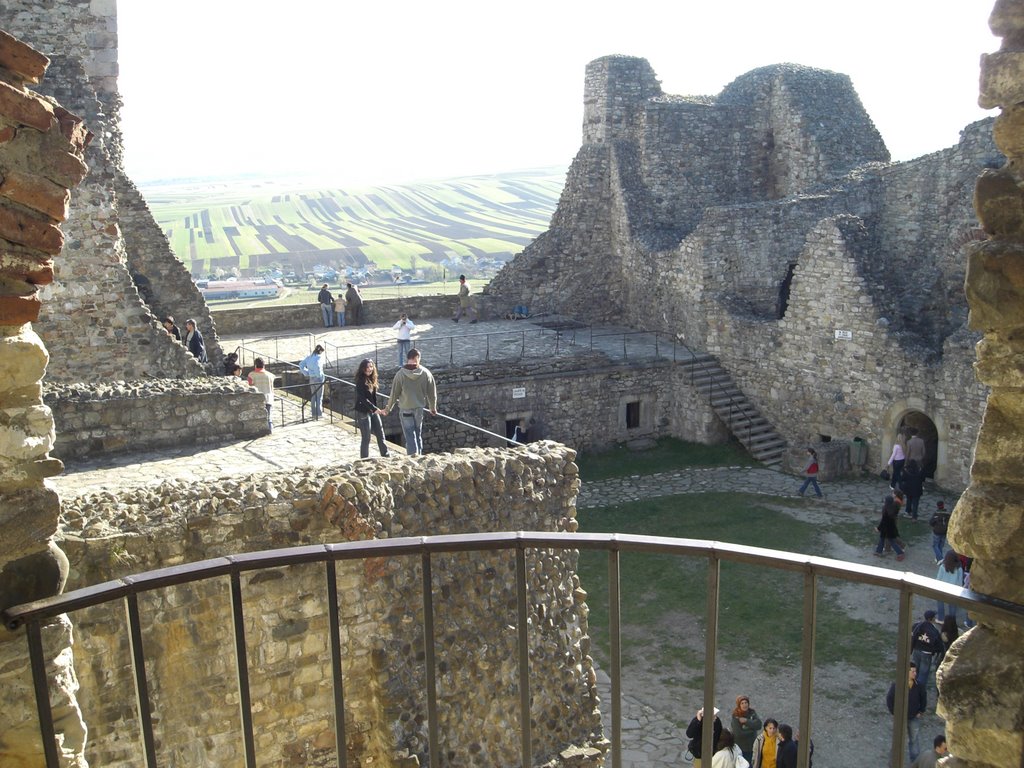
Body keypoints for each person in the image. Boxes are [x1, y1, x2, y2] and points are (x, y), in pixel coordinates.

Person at [384, 348, 437, 456]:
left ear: (408, 358)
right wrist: (433, 407)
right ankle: (419, 456)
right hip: (419, 408)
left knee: (409, 435)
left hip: (405, 409)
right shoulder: (426, 373)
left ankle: (413, 458)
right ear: (418, 358)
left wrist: (388, 409)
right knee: (418, 434)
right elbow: (432, 393)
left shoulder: (400, 374)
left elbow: (394, 394)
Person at [886, 662, 927, 765]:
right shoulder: (897, 685)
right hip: (901, 718)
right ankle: (893, 763)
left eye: (915, 671)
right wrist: (894, 712)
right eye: (912, 671)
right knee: (898, 741)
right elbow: (890, 699)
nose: (915, 673)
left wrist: (921, 711)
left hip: (913, 717)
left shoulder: (919, 685)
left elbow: (923, 699)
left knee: (914, 740)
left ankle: (915, 762)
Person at [354, 358, 390, 459]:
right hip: (363, 411)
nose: (369, 369)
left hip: (373, 410)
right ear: (363, 368)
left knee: (380, 432)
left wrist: (375, 409)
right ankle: (364, 458)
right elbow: (363, 399)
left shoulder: (372, 378)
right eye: (367, 367)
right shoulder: (360, 381)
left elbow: (372, 397)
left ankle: (385, 453)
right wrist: (375, 409)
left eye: (371, 366)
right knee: (366, 437)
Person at [910, 609, 943, 694]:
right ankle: (919, 690)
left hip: (916, 651)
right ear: (932, 619)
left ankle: (913, 684)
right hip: (926, 653)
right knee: (923, 673)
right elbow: (937, 644)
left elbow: (912, 636)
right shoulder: (934, 630)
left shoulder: (917, 625)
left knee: (916, 669)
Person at [730, 695, 762, 764]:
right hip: (741, 749)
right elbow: (738, 734)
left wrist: (746, 721)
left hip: (752, 747)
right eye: (742, 703)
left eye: (746, 703)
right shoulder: (736, 716)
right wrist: (753, 730)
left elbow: (759, 725)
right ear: (739, 705)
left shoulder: (752, 713)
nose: (744, 705)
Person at [299, 344, 327, 421]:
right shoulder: (318, 358)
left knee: (313, 396)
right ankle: (319, 414)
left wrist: (306, 372)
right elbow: (317, 367)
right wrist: (318, 375)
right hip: (318, 378)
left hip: (311, 378)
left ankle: (313, 413)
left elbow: (301, 365)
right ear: (320, 351)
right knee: (319, 397)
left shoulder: (309, 357)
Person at [935, 551, 964, 624]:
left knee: (940, 603)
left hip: (942, 588)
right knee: (952, 606)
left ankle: (940, 619)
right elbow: (960, 582)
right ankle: (951, 622)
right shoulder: (959, 569)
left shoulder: (942, 566)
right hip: (953, 590)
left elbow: (938, 578)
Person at [247, 357, 275, 432]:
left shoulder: (251, 375)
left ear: (255, 365)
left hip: (256, 398)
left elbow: (250, 386)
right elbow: (272, 388)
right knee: (268, 415)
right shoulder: (270, 375)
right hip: (268, 397)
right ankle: (270, 429)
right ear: (264, 365)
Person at [874, 494, 906, 561]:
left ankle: (900, 553)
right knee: (882, 539)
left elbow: (883, 521)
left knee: (891, 541)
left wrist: (878, 528)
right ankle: (878, 551)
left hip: (886, 528)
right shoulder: (893, 508)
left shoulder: (885, 509)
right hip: (891, 527)